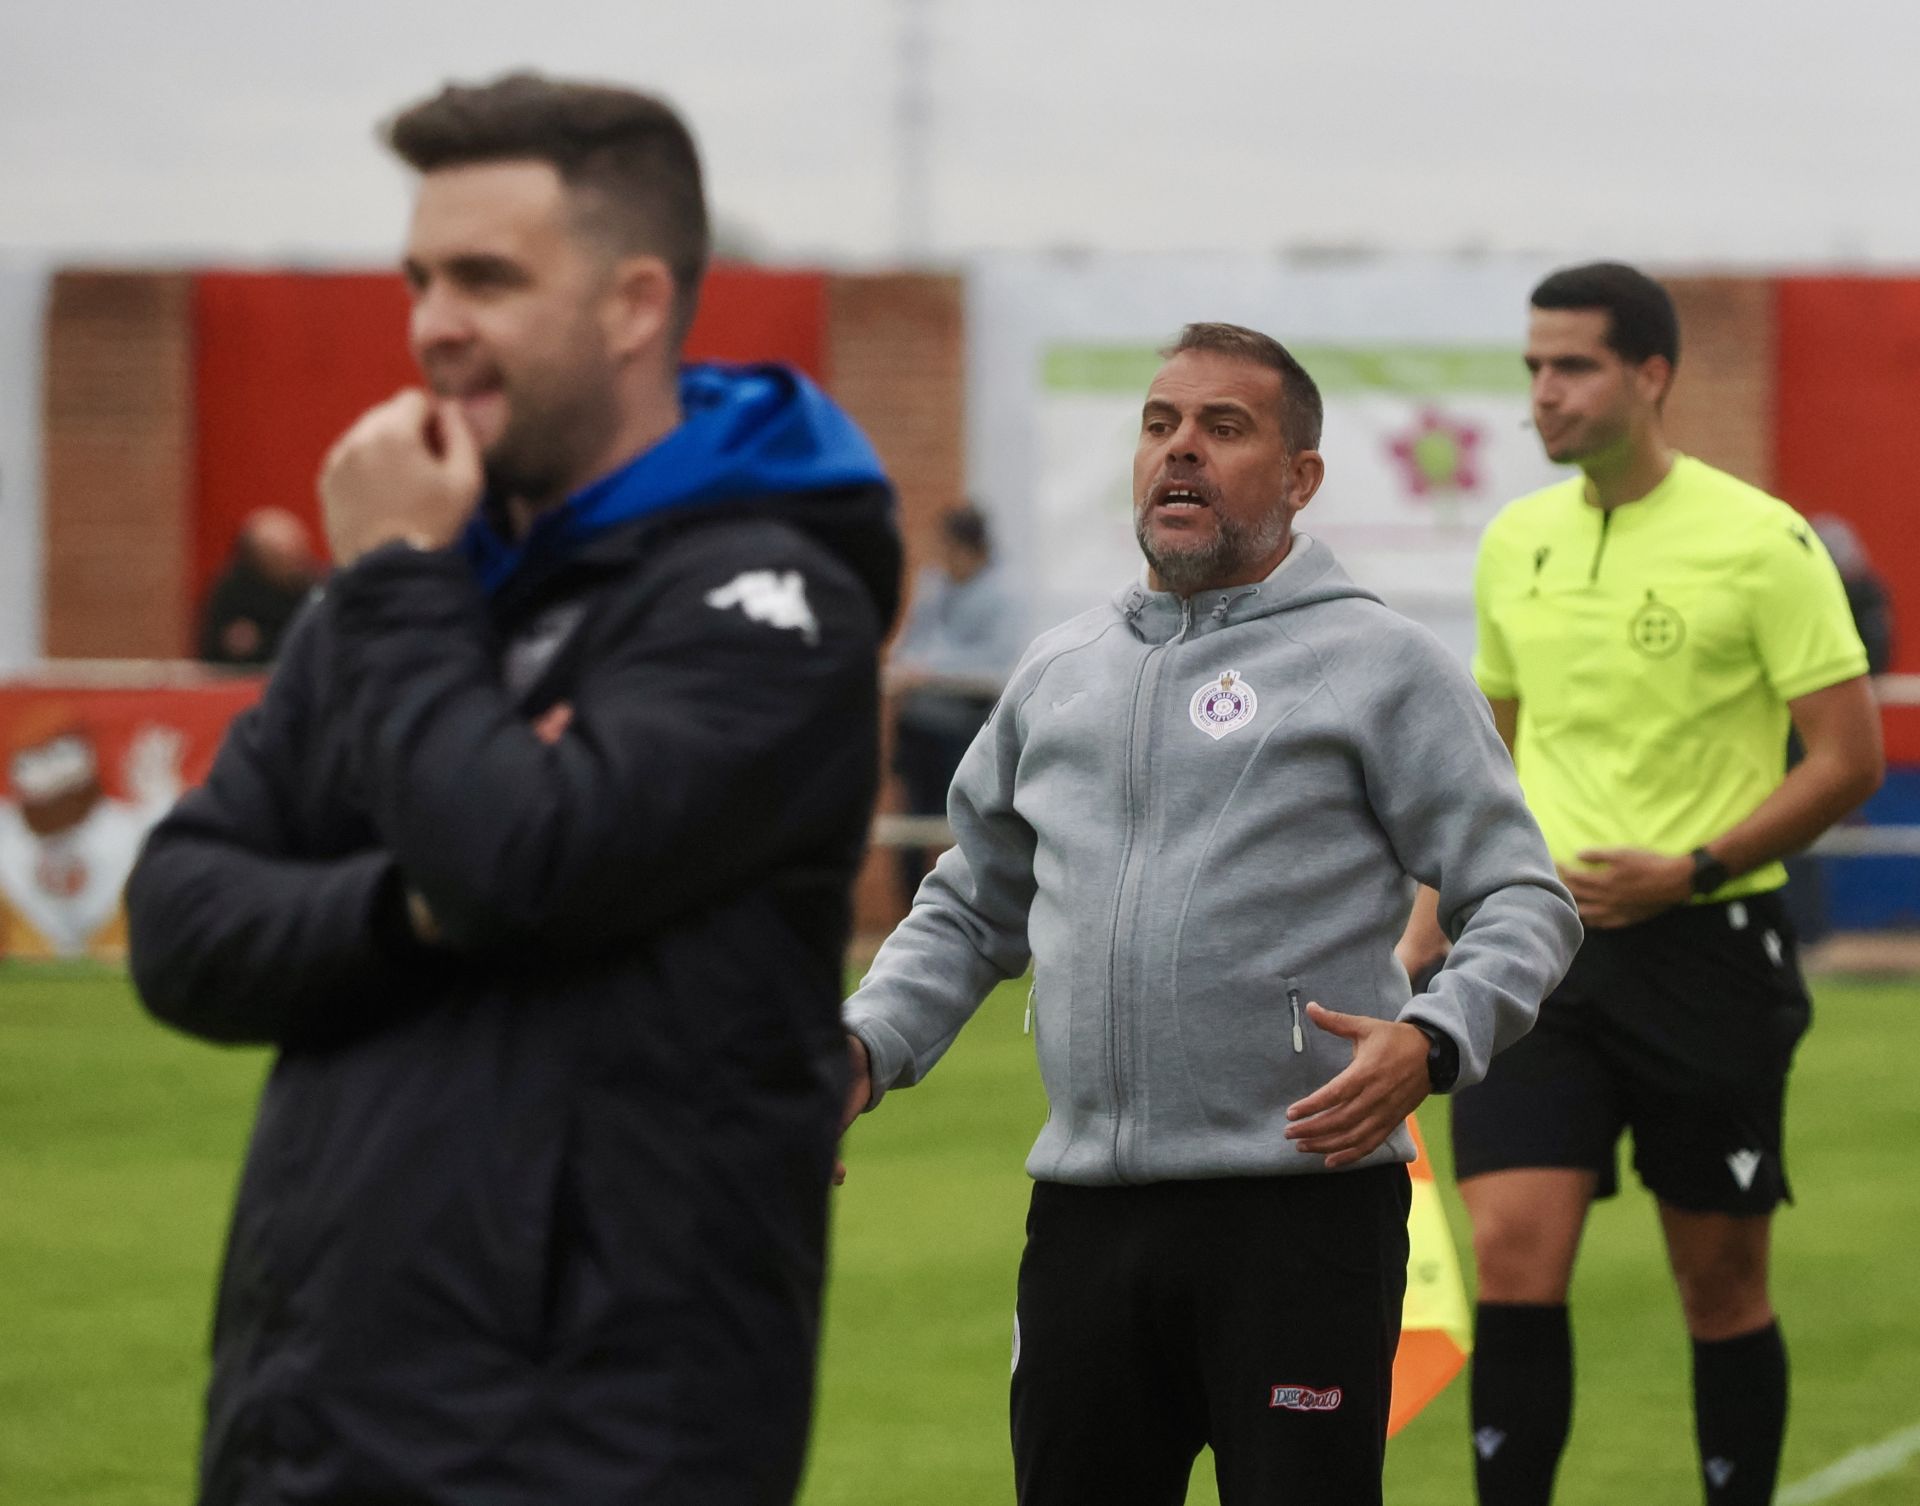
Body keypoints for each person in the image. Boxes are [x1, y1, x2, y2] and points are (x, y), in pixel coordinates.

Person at [126, 73, 899, 1506]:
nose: (432, 323)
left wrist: (403, 585)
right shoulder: (417, 581)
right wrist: (406, 911)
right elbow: (177, 918)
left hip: (590, 1439)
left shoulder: (766, 600)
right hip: (314, 1414)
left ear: (633, 303)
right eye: (419, 276)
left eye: (487, 277)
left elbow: (512, 860)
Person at [840, 322, 1581, 1506]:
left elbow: (1522, 897)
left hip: (1300, 1215)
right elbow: (973, 905)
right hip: (1085, 1219)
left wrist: (1437, 1039)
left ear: (1300, 479)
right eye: (1158, 425)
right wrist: (863, 1045)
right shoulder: (1060, 671)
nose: (1179, 451)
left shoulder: (1382, 663)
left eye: (1222, 428)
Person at [1401, 263, 1884, 1506]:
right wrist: (1420, 931)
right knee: (1512, 1254)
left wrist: (1696, 866)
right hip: (1533, 956)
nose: (1543, 395)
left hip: (1711, 951)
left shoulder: (1761, 541)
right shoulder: (1519, 541)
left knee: (1718, 1283)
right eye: (1533, 369)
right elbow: (1488, 753)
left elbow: (1849, 759)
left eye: (1572, 367)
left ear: (1651, 375)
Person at [886, 501, 1023, 895]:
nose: (940, 557)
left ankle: (964, 915)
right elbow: (910, 643)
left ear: (970, 549)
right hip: (916, 724)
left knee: (963, 824)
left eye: (947, 548)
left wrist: (929, 670)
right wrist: (906, 666)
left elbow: (999, 663)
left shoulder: (1004, 594)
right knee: (911, 823)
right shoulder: (933, 583)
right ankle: (907, 921)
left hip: (965, 728)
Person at [196, 507, 320, 666]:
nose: (293, 564)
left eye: (297, 553)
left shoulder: (315, 589)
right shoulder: (233, 594)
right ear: (257, 556)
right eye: (278, 556)